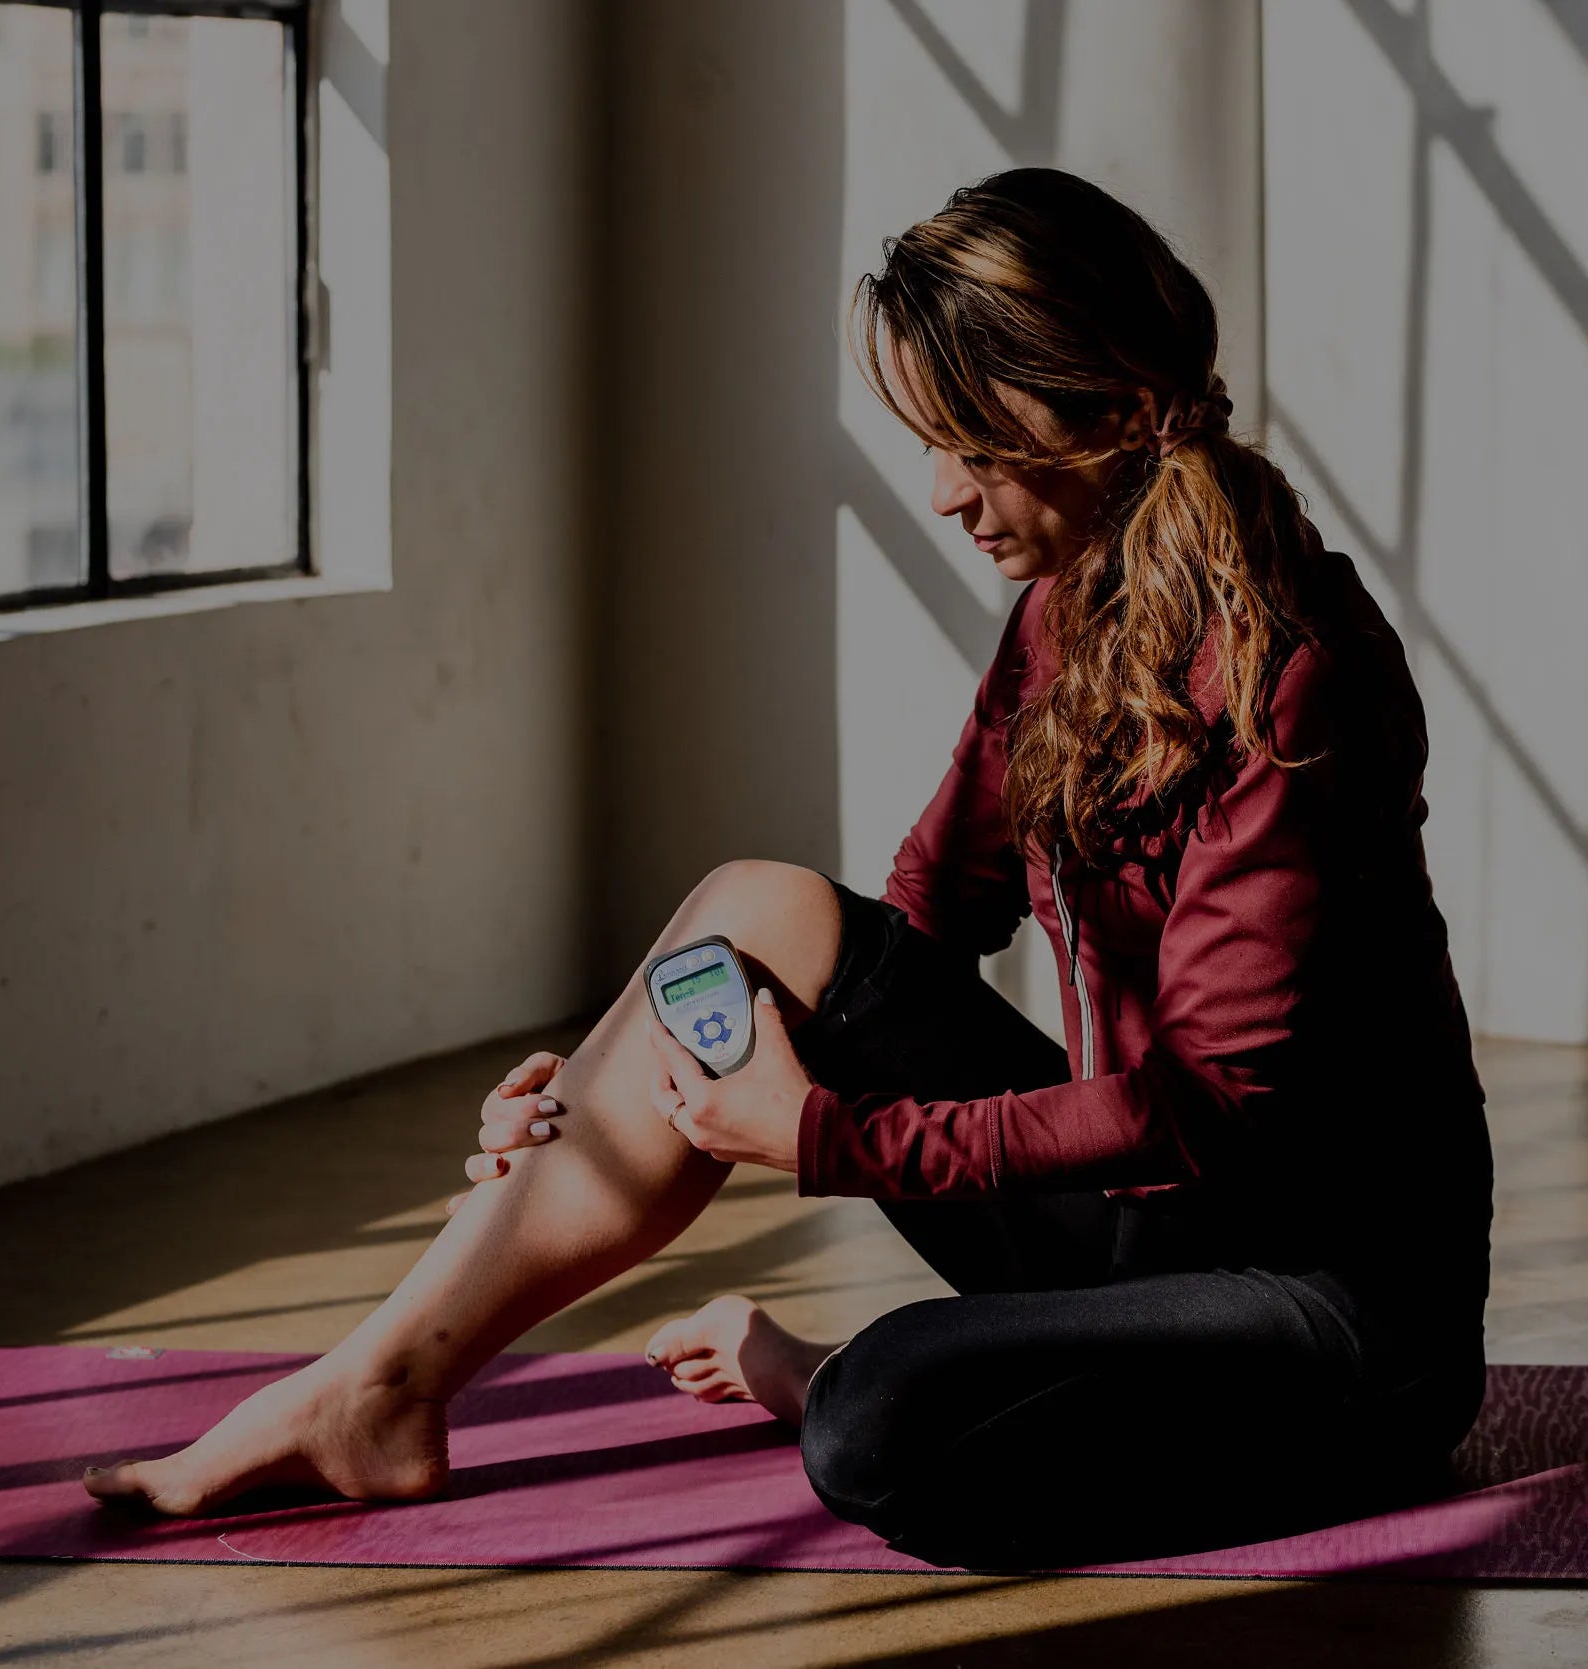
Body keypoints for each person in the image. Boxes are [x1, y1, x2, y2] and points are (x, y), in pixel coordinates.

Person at [86, 167, 1493, 1568]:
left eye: (974, 447)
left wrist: (827, 1136)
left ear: (1113, 408)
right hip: (1145, 1248)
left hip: (1333, 1313)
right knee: (751, 912)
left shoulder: (1289, 664)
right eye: (928, 444)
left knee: (874, 1422)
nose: (944, 495)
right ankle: (378, 1388)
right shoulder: (1067, 611)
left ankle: (839, 1370)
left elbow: (1211, 1106)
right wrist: (603, 1099)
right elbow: (913, 928)